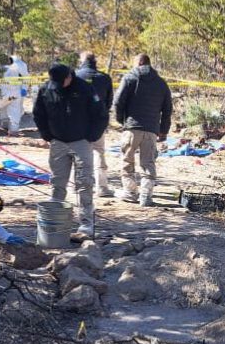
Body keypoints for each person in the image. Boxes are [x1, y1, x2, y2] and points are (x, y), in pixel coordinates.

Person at [33, 63, 107, 236]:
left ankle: (86, 223)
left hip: (82, 142)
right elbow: (38, 113)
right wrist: (47, 135)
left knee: (84, 183)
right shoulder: (47, 89)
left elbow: (101, 114)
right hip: (57, 142)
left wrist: (91, 137)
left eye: (61, 81)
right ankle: (55, 222)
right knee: (57, 183)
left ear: (69, 77)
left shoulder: (85, 89)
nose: (58, 85)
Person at [114, 54, 172, 206]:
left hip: (131, 128)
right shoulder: (161, 83)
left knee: (127, 161)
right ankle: (146, 196)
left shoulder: (129, 78)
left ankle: (130, 192)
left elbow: (118, 102)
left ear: (138, 63)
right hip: (151, 130)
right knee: (148, 163)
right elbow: (167, 110)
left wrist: (121, 120)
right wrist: (163, 131)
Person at [75, 51, 116, 198]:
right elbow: (110, 101)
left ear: (82, 60)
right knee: (99, 152)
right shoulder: (104, 78)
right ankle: (102, 187)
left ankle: (81, 185)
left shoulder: (75, 76)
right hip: (98, 122)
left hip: (78, 123)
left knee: (80, 154)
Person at [0, 53, 29, 136]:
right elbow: (26, 78)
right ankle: (14, 130)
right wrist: (24, 89)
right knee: (14, 110)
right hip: (15, 94)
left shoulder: (1, 66)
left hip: (4, 93)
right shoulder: (19, 66)